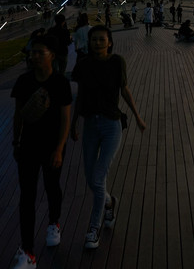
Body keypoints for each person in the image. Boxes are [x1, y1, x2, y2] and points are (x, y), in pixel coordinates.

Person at [70, 25, 147, 250]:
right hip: (90, 125)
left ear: (109, 42)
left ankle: (93, 229)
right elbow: (81, 95)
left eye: (102, 39)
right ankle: (110, 202)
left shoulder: (117, 62)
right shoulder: (83, 64)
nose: (98, 43)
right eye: (94, 39)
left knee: (98, 177)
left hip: (112, 124)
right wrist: (75, 122)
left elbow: (124, 90)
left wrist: (138, 117)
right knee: (90, 177)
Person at [10, 36, 72, 269]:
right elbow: (18, 115)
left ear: (51, 55)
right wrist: (15, 142)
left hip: (52, 146)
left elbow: (65, 117)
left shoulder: (60, 83)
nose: (33, 56)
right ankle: (28, 251)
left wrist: (59, 148)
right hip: (28, 145)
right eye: (31, 52)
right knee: (27, 196)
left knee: (52, 186)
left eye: (39, 52)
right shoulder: (23, 81)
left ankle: (54, 222)